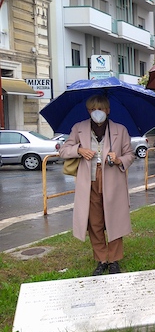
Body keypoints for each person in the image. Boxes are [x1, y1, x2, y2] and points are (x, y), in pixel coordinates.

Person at [59, 95, 136, 276]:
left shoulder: (120, 129)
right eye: (93, 109)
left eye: (100, 109)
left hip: (113, 181)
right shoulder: (79, 128)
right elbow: (63, 150)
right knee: (95, 222)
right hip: (90, 181)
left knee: (114, 220)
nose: (97, 113)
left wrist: (118, 159)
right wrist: (79, 150)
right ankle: (102, 259)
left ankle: (114, 259)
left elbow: (130, 155)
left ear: (108, 110)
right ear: (88, 111)